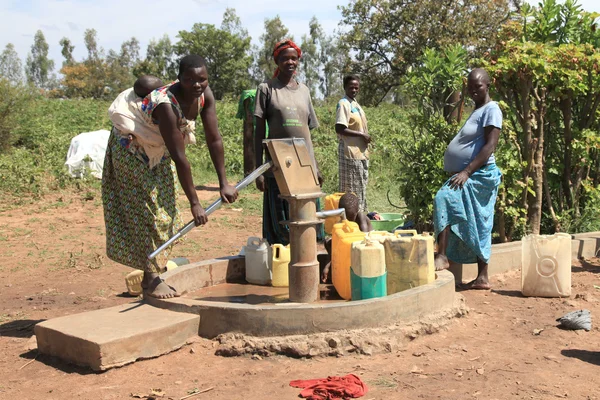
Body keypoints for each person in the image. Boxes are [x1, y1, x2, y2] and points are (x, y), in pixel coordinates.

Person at [103, 55, 238, 299]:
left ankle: (151, 273)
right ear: (180, 79)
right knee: (149, 213)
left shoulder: (204, 97)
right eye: (190, 80)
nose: (197, 85)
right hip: (132, 151)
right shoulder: (165, 106)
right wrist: (195, 203)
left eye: (202, 79)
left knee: (167, 209)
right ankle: (152, 280)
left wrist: (224, 183)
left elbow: (214, 139)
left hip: (158, 151)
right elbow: (180, 157)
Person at [433, 68, 502, 290]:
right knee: (475, 221)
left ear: (488, 85)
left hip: (480, 175)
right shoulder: (478, 109)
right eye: (470, 87)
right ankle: (482, 277)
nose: (473, 91)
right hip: (471, 173)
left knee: (444, 197)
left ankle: (442, 256)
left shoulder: (492, 109)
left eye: (478, 87)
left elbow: (490, 146)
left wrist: (467, 172)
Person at [254, 39, 323, 245]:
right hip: (278, 165)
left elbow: (307, 133)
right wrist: (258, 170)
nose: (290, 62)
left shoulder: (304, 91)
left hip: (304, 165)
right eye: (285, 58)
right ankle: (281, 261)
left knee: (308, 217)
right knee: (280, 218)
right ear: (277, 61)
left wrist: (315, 166)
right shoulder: (267, 88)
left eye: (294, 58)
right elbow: (258, 132)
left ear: (298, 61)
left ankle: (310, 259)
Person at [335, 75, 370, 213]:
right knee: (351, 190)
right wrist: (361, 135)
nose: (354, 89)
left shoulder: (355, 104)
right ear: (345, 87)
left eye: (356, 87)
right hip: (350, 153)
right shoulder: (344, 103)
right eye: (351, 87)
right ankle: (351, 221)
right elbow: (340, 128)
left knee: (360, 188)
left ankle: (360, 216)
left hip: (360, 154)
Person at [321, 192, 373, 283]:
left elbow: (365, 238)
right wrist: (327, 265)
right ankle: (329, 268)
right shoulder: (341, 221)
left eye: (350, 217)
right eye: (345, 217)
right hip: (350, 247)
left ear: (357, 211)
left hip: (365, 247)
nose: (347, 220)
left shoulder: (361, 217)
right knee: (329, 242)